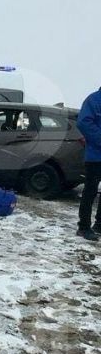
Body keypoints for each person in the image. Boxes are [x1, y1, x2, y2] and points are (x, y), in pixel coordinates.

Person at [77, 87, 101, 241]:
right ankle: (84, 227)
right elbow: (83, 122)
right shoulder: (94, 100)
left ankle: (99, 224)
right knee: (90, 191)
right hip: (96, 156)